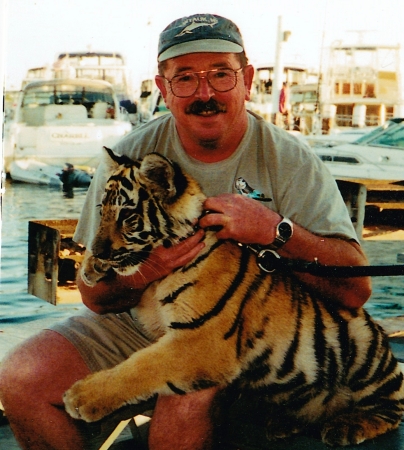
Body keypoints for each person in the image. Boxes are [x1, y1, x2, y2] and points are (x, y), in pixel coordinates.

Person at [0, 13, 371, 450]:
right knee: (19, 380)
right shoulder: (129, 155)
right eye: (185, 78)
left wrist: (276, 230)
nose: (205, 93)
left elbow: (355, 290)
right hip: (144, 318)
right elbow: (94, 295)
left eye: (220, 74)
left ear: (247, 79)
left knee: (183, 398)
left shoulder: (289, 158)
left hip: (250, 330)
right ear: (162, 88)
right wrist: (148, 269)